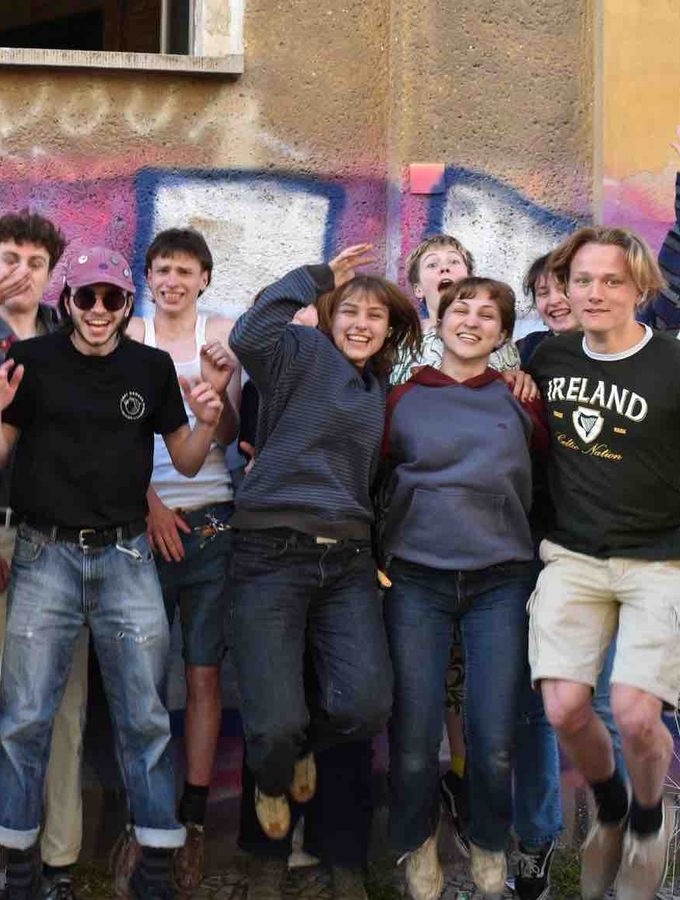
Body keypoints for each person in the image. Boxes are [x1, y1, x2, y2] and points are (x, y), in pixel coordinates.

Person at [0, 246, 226, 900]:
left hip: (126, 557)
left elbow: (188, 460)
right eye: (85, 297)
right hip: (45, 554)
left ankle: (154, 868)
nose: (97, 309)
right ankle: (20, 872)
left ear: (125, 304)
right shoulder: (32, 360)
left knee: (145, 716)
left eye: (110, 298)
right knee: (25, 718)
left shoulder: (151, 367)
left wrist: (208, 421)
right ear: (67, 301)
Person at [226, 245, 420, 898]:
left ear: (389, 330)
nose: (362, 324)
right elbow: (249, 333)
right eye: (350, 312)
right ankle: (274, 779)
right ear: (330, 317)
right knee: (273, 723)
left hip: (347, 563)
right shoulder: (300, 355)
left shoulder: (381, 388)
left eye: (375, 316)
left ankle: (303, 752)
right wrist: (316, 278)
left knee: (366, 704)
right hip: (269, 554)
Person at [381, 277, 547, 900]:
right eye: (461, 309)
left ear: (502, 334)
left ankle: (488, 841)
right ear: (439, 318)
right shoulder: (403, 398)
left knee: (494, 737)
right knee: (414, 736)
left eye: (487, 315)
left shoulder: (519, 398)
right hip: (415, 579)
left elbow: (549, 480)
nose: (471, 321)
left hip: (501, 579)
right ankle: (417, 841)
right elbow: (374, 478)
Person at [526, 225, 680, 900]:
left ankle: (649, 820)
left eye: (611, 280)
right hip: (573, 555)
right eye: (581, 280)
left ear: (639, 287)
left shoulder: (672, 361)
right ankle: (612, 807)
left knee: (638, 714)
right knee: (564, 708)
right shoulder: (548, 357)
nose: (593, 293)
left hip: (659, 560)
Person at [0, 211, 89, 900]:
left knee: (64, 708)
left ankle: (57, 862)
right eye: (10, 257)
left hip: (63, 547)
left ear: (51, 272)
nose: (22, 272)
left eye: (36, 262)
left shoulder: (75, 341)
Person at [125, 228, 239, 892]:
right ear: (149, 276)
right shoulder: (131, 335)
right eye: (163, 269)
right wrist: (148, 506)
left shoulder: (219, 336)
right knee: (139, 682)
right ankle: (143, 819)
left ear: (204, 279)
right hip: (143, 522)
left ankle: (192, 823)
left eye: (185, 270)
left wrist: (217, 394)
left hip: (212, 521)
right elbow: (113, 436)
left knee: (203, 677)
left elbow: (233, 433)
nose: (172, 280)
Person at [390, 234, 520, 385]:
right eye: (432, 264)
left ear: (470, 279)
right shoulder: (402, 339)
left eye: (454, 261)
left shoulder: (495, 337)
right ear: (418, 289)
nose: (445, 268)